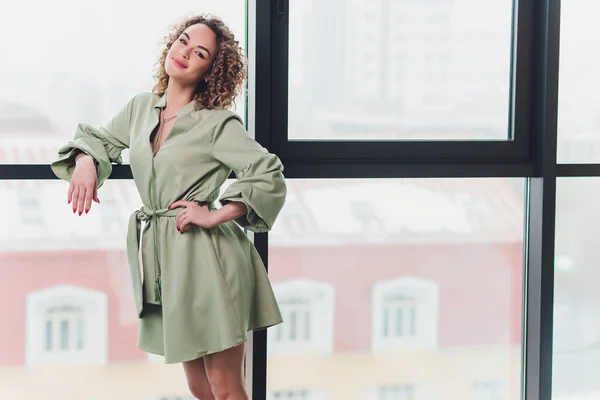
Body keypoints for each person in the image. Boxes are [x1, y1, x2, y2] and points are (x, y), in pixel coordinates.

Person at [51, 14, 286, 400]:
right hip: (167, 259)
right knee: (198, 387)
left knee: (225, 386)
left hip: (211, 259)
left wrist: (214, 214)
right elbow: (102, 139)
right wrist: (84, 162)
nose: (184, 53)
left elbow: (268, 171)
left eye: (200, 53)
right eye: (183, 41)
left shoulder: (216, 124)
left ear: (211, 71)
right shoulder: (141, 108)